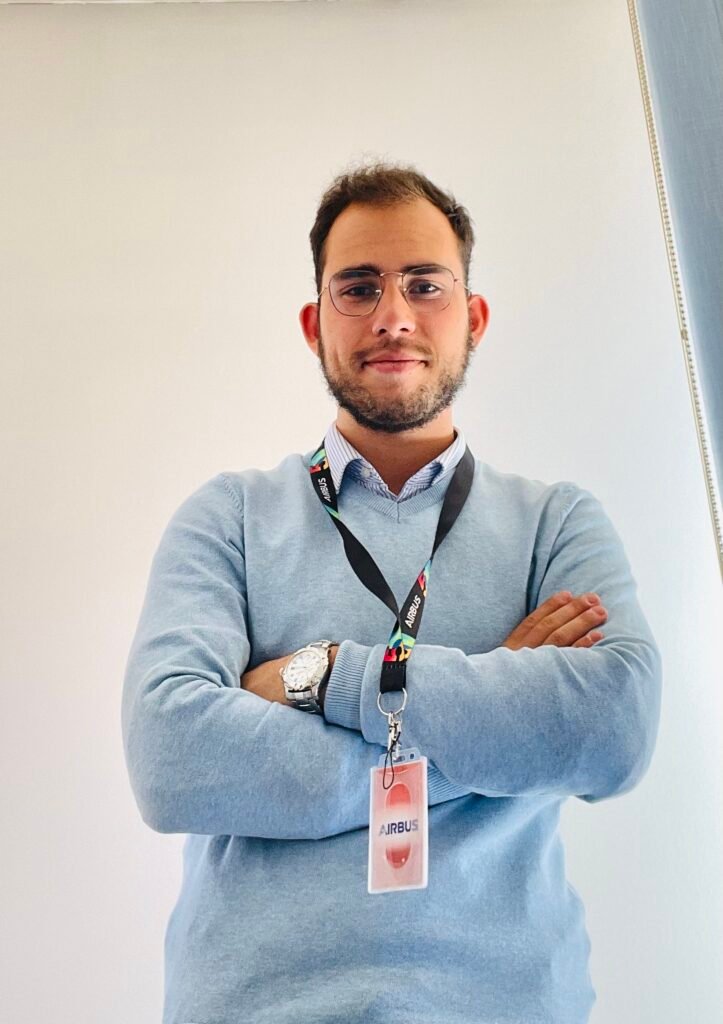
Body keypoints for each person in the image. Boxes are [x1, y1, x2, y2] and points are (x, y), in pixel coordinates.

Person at [121, 161, 662, 1024]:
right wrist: (492, 712)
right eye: (358, 287)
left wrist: (324, 677)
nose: (393, 315)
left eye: (424, 284)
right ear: (314, 325)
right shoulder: (228, 517)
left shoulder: (556, 522)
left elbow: (613, 731)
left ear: (473, 318)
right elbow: (171, 761)